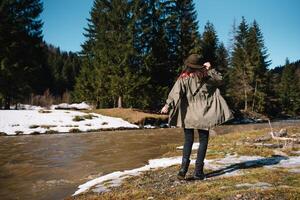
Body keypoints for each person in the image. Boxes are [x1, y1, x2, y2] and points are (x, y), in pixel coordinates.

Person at [161, 54, 233, 180]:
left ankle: (183, 170)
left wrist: (167, 105)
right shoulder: (207, 76)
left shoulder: (183, 77)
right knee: (203, 141)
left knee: (188, 140)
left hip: (188, 114)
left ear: (188, 65)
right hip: (204, 114)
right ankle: (198, 171)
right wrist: (210, 69)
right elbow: (220, 80)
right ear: (201, 65)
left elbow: (176, 92)